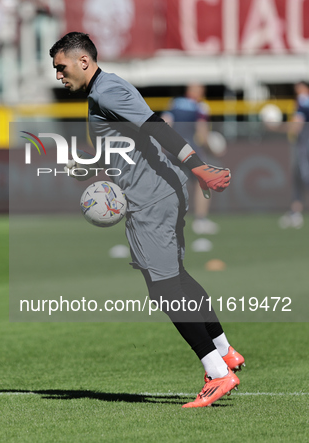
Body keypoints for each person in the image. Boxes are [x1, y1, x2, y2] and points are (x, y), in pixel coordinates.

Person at [49, 32, 244, 408]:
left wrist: (199, 168)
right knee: (176, 277)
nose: (58, 75)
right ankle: (225, 351)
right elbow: (126, 145)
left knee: (164, 288)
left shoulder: (106, 91)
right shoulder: (104, 91)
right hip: (158, 194)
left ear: (83, 61)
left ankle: (217, 373)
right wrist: (87, 165)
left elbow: (156, 128)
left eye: (61, 66)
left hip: (151, 199)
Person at [162, 83, 220, 235]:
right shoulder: (200, 107)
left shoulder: (175, 103)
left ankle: (164, 220)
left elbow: (165, 122)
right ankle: (200, 221)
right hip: (190, 149)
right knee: (204, 183)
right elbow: (202, 130)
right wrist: (210, 148)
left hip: (173, 148)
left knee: (169, 184)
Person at [277, 81, 309, 229]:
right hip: (302, 146)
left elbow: (297, 126)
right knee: (298, 179)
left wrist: (275, 127)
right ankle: (295, 213)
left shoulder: (303, 102)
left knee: (304, 178)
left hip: (305, 147)